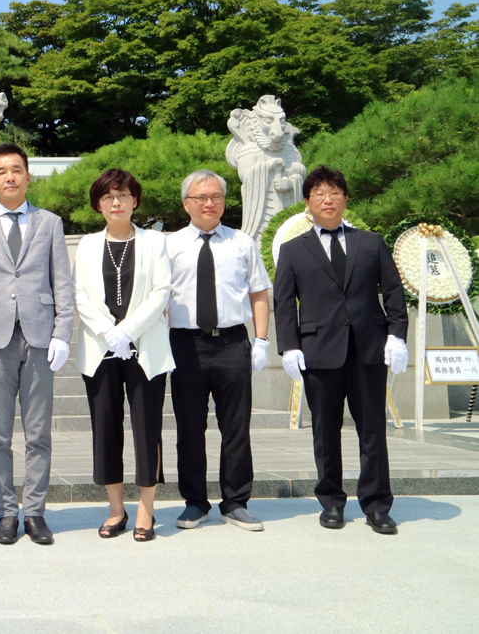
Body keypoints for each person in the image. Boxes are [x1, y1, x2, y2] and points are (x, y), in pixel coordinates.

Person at [273, 165, 409, 534]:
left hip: (368, 349)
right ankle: (331, 501)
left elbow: (393, 292)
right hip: (319, 352)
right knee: (325, 431)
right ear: (307, 202)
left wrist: (397, 335)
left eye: (334, 192)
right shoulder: (292, 250)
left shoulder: (371, 243)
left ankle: (377, 505)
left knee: (373, 430)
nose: (327, 199)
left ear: (346, 199)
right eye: (319, 194)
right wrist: (289, 347)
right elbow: (283, 303)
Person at [0, 143, 75, 546]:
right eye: (1, 171)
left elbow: (62, 281)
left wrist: (63, 332)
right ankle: (7, 511)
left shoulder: (49, 222)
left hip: (40, 336)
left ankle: (35, 512)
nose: (10, 177)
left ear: (28, 176)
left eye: (16, 170)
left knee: (38, 432)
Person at [166, 169, 271, 533]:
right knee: (190, 428)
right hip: (185, 344)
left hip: (231, 342)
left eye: (216, 197)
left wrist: (261, 340)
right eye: (201, 197)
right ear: (186, 203)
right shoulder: (170, 245)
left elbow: (259, 292)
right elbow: (158, 298)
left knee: (236, 427)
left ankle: (236, 502)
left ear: (225, 202)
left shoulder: (242, 243)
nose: (209, 203)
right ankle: (195, 502)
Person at [73, 168, 173, 542]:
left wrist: (127, 331)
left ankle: (146, 509)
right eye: (108, 196)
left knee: (147, 428)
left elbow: (161, 291)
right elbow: (79, 294)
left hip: (145, 348)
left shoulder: (154, 242)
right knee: (105, 429)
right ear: (98, 204)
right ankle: (116, 509)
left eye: (123, 195)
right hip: (101, 351)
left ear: (135, 201)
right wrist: (107, 332)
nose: (116, 202)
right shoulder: (87, 245)